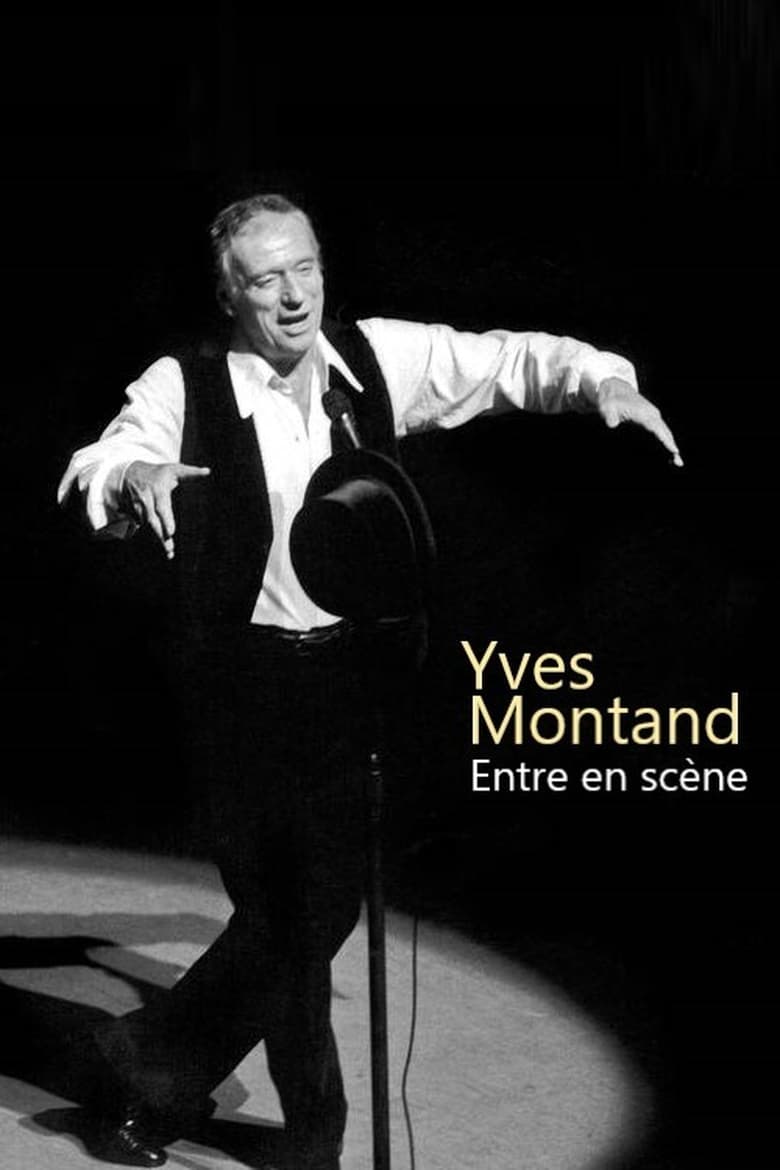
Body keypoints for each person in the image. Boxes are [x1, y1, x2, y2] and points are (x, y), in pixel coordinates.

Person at [58, 192, 682, 1169]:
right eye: (267, 278)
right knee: (289, 922)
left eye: (305, 267)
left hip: (345, 685)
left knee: (316, 915)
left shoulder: (373, 360)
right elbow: (111, 453)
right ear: (229, 296)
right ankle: (315, 1145)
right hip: (241, 690)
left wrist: (601, 381)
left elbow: (504, 361)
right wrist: (131, 478)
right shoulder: (187, 383)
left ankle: (148, 1062)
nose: (294, 294)